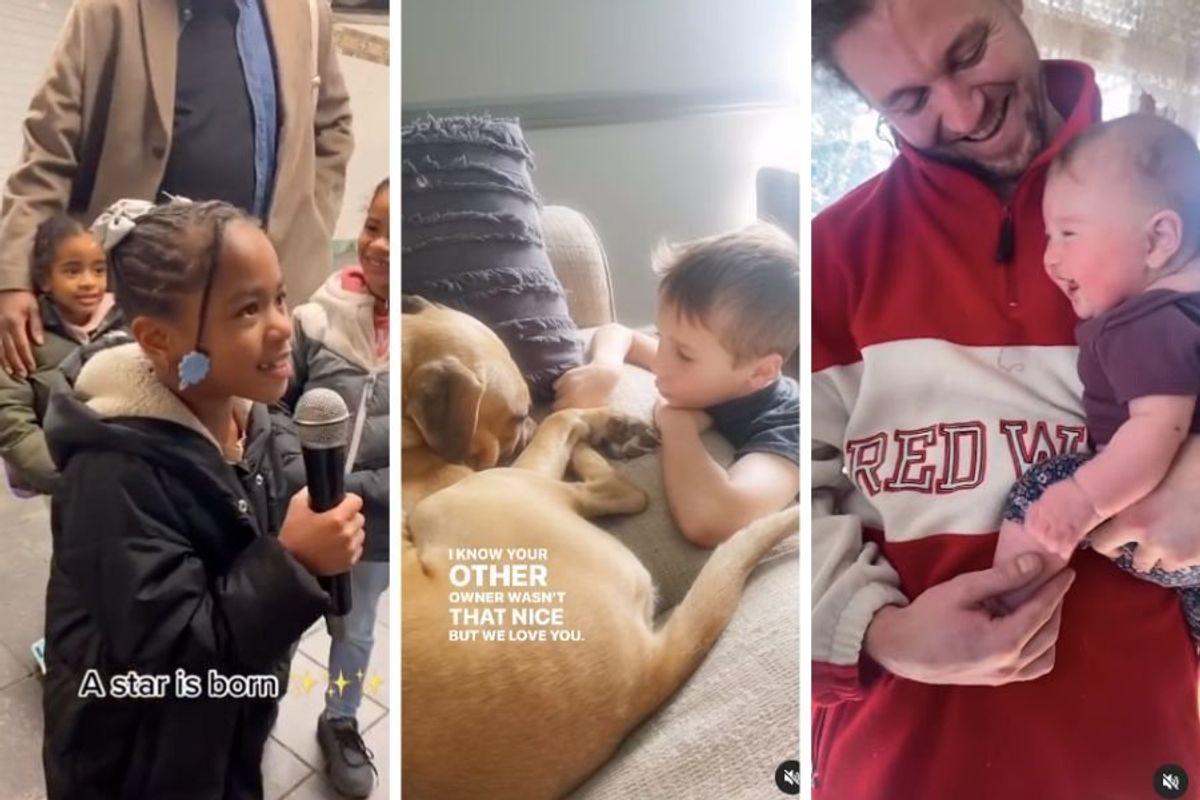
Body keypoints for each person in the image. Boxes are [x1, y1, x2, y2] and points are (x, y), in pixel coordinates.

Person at [811, 0, 1200, 796]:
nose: (962, 111)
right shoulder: (827, 259)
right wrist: (876, 632)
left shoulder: (1174, 212)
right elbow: (770, 519)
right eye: (908, 102)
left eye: (968, 50)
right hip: (894, 762)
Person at [41, 198, 365, 799]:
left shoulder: (255, 422)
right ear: (159, 339)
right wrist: (291, 565)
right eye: (247, 308)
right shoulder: (112, 474)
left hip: (225, 734)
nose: (281, 325)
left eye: (279, 297)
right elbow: (170, 662)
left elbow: (307, 487)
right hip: (136, 760)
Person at [0, 0, 353, 380]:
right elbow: (48, 152)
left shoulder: (305, 11)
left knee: (258, 434)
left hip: (264, 304)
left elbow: (333, 125)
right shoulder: (106, 11)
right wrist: (13, 279)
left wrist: (308, 218)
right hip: (134, 308)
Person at [992, 115, 1200, 624]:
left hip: (1156, 510)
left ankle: (1005, 606)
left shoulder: (1143, 323)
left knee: (1041, 490)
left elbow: (1156, 432)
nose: (1049, 258)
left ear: (1157, 241)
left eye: (1067, 234)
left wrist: (1082, 498)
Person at [554, 225, 799, 545]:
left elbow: (712, 519)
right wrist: (605, 367)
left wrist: (676, 423)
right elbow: (617, 332)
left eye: (683, 353)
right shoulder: (709, 371)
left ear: (760, 372)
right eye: (661, 336)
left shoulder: (789, 425)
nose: (660, 364)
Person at [285, 178, 390, 797]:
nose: (377, 245)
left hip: (368, 533)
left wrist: (352, 496)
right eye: (371, 226)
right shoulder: (315, 318)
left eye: (395, 235)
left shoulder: (428, 339)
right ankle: (251, 703)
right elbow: (272, 410)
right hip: (299, 517)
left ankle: (341, 717)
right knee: (276, 615)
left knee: (355, 629)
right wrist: (304, 487)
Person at [0, 215, 122, 495]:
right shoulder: (22, 337)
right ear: (44, 279)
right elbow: (11, 420)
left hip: (132, 477)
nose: (88, 282)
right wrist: (67, 480)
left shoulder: (128, 324)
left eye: (99, 270)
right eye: (72, 271)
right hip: (66, 482)